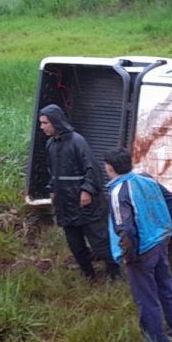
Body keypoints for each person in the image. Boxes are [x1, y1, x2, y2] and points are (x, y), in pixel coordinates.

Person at [103, 147, 172, 342]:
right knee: (166, 286)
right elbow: (170, 199)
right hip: (160, 241)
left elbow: (124, 229)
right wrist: (165, 225)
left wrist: (130, 256)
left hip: (141, 250)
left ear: (109, 167)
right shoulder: (145, 178)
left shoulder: (118, 192)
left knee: (146, 298)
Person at [39, 104, 120, 282]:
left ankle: (114, 274)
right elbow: (52, 171)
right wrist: (52, 189)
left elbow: (92, 169)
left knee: (100, 241)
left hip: (85, 203)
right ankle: (88, 274)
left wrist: (87, 190)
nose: (42, 127)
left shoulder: (77, 141)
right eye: (41, 123)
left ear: (55, 122)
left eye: (45, 123)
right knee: (75, 243)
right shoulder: (50, 144)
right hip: (65, 203)